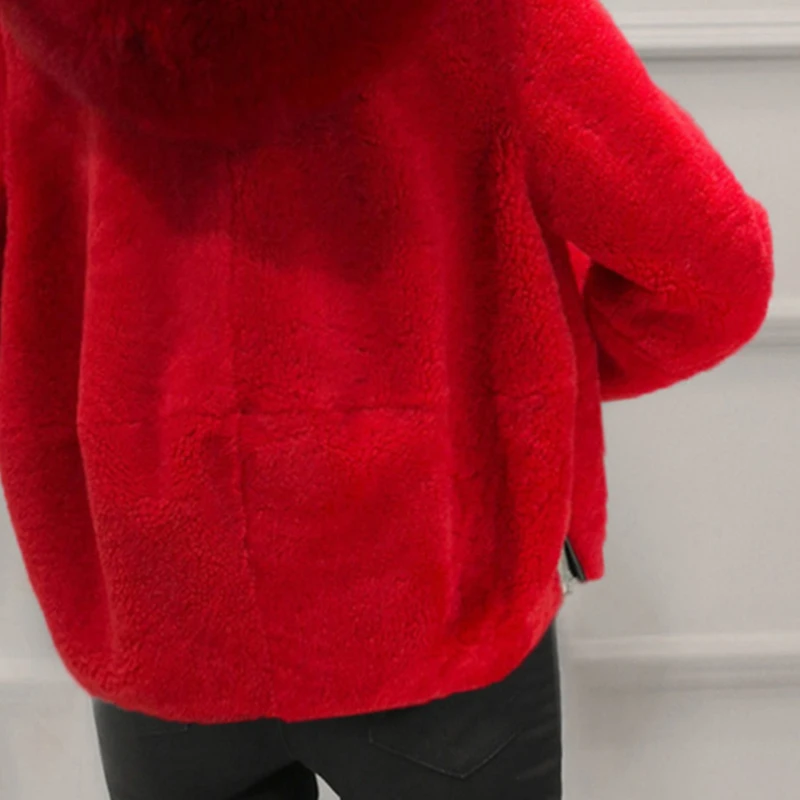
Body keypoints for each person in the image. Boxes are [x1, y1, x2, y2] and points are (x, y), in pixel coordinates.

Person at [0, 0, 772, 798]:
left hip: (160, 613)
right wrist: (524, 385)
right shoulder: (493, 17)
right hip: (437, 611)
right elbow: (716, 269)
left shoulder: (32, 25)